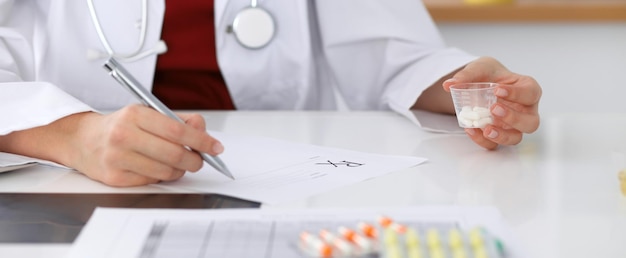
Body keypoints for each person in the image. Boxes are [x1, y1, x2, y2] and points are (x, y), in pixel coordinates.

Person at [0, 0, 541, 187]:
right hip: (72, 190)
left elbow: (395, 57)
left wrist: (468, 88)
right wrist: (74, 136)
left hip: (280, 186)